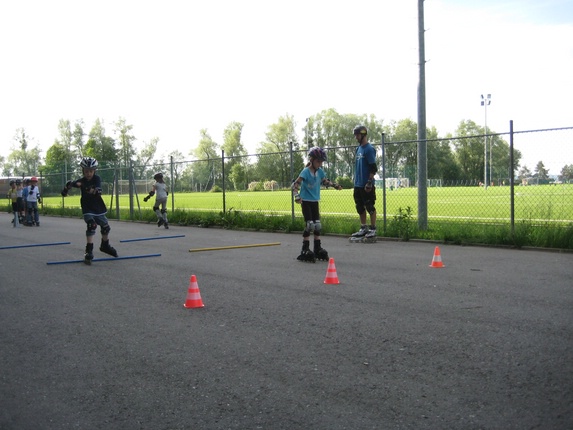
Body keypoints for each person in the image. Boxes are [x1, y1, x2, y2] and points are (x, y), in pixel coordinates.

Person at [61, 157, 118, 265]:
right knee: (91, 225)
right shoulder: (81, 181)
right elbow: (70, 184)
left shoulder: (96, 179)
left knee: (106, 227)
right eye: (86, 171)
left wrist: (92, 190)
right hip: (87, 207)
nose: (88, 173)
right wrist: (67, 188)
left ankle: (105, 245)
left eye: (91, 171)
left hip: (98, 207)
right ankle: (89, 251)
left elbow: (98, 190)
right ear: (83, 171)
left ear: (94, 171)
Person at [291, 146, 342, 262]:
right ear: (312, 160)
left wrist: (335, 185)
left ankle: (317, 248)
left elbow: (325, 181)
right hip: (306, 201)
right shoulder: (305, 172)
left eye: (321, 161)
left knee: (317, 225)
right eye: (318, 161)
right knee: (309, 225)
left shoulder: (320, 172)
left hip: (315, 201)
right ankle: (305, 249)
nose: (320, 164)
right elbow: (295, 184)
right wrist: (296, 196)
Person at [351, 125, 377, 240]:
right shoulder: (358, 149)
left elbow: (373, 167)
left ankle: (373, 229)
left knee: (369, 206)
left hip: (366, 184)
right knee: (359, 207)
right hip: (358, 184)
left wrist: (369, 182)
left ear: (363, 135)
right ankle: (363, 228)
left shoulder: (369, 149)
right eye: (355, 135)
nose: (356, 137)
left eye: (357, 135)